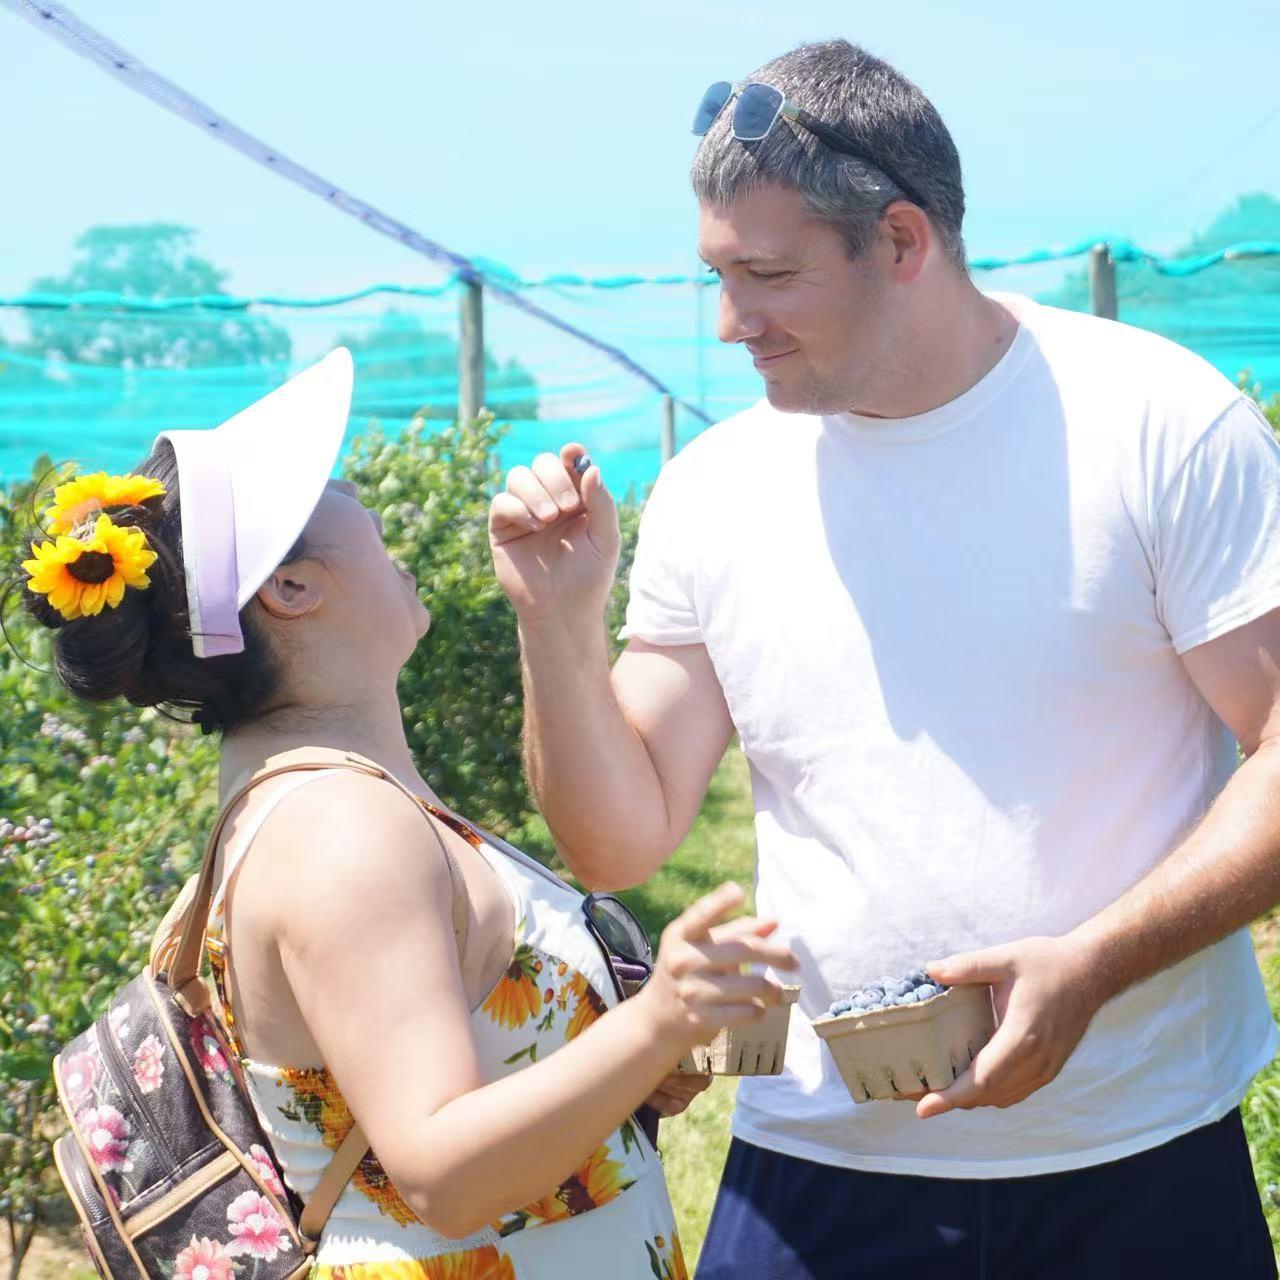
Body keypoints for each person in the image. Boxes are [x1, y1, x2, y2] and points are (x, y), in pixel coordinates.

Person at [488, 38, 1280, 1279]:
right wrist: (554, 621)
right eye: (716, 273)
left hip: (1137, 1150)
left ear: (901, 242)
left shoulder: (1156, 426)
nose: (730, 321)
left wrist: (1091, 964)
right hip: (819, 1167)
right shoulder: (714, 493)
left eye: (768, 274)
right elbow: (617, 837)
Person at [16, 348, 798, 1280]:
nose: (355, 488)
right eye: (329, 487)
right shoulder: (343, 832)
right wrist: (658, 1018)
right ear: (292, 589)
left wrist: (624, 1065)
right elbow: (442, 1173)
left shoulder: (327, 802)